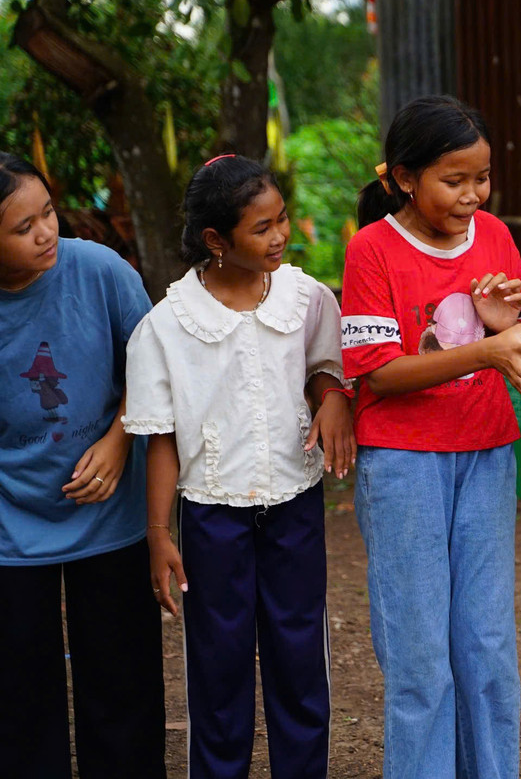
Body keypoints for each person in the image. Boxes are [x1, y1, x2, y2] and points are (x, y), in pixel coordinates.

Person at [126, 154, 354, 779]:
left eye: (282, 219)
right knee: (217, 669)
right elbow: (161, 439)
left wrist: (332, 397)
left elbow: (322, 369)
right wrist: (159, 534)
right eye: (262, 227)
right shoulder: (167, 326)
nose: (280, 235)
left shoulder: (307, 299)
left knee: (300, 659)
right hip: (211, 516)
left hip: (295, 507)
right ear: (216, 240)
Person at [341, 95, 521, 779]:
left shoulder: (494, 235)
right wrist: (484, 350)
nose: (472, 195)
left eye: (481, 177)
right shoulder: (372, 250)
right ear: (404, 177)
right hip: (403, 464)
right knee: (420, 654)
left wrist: (503, 324)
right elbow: (380, 372)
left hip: (486, 451)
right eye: (453, 180)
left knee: (487, 645)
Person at [0, 152, 165, 778]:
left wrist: (120, 438)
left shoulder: (99, 270)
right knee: (18, 690)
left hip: (110, 508)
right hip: (11, 518)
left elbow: (154, 369)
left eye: (47, 213)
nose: (46, 233)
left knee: (121, 681)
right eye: (23, 227)